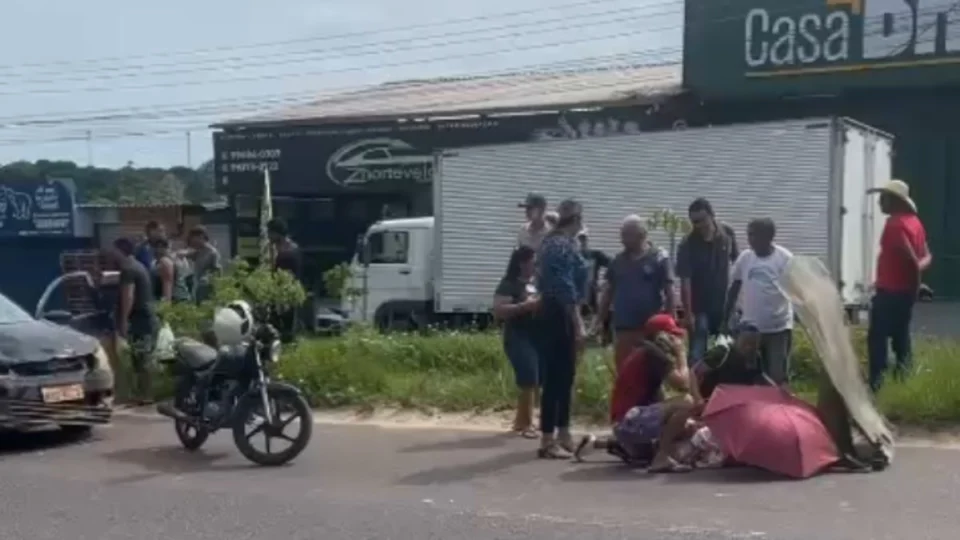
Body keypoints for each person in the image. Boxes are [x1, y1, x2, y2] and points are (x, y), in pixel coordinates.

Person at [573, 314, 699, 471]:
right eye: (672, 336)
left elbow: (659, 401)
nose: (677, 341)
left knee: (685, 429)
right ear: (661, 336)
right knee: (686, 402)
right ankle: (661, 458)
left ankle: (603, 444)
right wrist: (681, 354)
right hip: (629, 422)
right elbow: (683, 384)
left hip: (626, 422)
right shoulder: (654, 354)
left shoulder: (645, 352)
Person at [865, 180, 931, 391]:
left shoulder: (895, 225)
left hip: (891, 294)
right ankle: (904, 381)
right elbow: (926, 257)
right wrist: (914, 286)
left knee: (878, 339)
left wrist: (916, 285)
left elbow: (911, 261)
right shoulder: (915, 222)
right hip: (902, 293)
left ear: (895, 201)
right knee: (901, 338)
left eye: (883, 198)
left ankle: (876, 385)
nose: (879, 202)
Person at [535, 198, 588, 459]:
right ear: (576, 221)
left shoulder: (554, 243)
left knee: (565, 376)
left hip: (553, 311)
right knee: (557, 377)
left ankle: (563, 432)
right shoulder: (561, 245)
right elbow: (565, 287)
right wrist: (578, 323)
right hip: (559, 313)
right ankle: (548, 439)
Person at [595, 215, 675, 374]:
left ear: (641, 235)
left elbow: (669, 291)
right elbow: (607, 292)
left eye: (627, 235)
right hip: (624, 328)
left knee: (651, 373)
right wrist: (599, 320)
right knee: (625, 372)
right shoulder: (617, 261)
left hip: (650, 329)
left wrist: (670, 321)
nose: (622, 240)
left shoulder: (658, 258)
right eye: (622, 235)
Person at [722, 218, 794, 385]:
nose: (750, 239)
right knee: (747, 374)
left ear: (769, 236)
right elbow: (734, 288)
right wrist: (725, 319)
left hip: (778, 328)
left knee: (776, 375)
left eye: (754, 235)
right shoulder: (745, 258)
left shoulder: (784, 259)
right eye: (749, 235)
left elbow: (797, 290)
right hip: (750, 330)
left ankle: (777, 401)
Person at [676, 197, 739, 369]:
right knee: (697, 351)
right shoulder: (687, 244)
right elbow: (685, 281)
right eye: (694, 222)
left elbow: (738, 264)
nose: (698, 225)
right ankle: (695, 380)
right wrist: (688, 314)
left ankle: (724, 381)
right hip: (700, 307)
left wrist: (739, 299)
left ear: (712, 215)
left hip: (724, 304)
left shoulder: (727, 234)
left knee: (728, 349)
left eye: (702, 220)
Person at [493, 246, 542, 438]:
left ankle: (522, 421)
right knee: (528, 374)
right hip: (517, 336)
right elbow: (499, 309)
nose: (535, 266)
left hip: (536, 335)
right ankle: (526, 423)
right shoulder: (509, 284)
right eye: (532, 262)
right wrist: (524, 306)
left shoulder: (536, 283)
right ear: (522, 263)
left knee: (537, 377)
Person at [106, 237, 159, 404]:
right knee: (141, 357)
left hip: (139, 320)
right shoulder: (138, 266)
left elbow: (128, 296)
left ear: (120, 251)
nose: (111, 253)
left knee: (141, 357)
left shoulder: (128, 269)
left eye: (113, 250)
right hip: (146, 318)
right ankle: (142, 394)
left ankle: (144, 394)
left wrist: (123, 320)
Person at [268, 218, 303, 341]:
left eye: (270, 233)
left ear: (277, 233)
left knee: (285, 326)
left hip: (285, 293)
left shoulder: (288, 252)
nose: (269, 236)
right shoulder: (286, 248)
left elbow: (284, 275)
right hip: (283, 292)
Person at [576, 229, 610, 326]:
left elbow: (612, 265)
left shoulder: (595, 255)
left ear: (587, 239)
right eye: (580, 239)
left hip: (592, 293)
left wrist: (604, 283)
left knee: (594, 317)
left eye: (584, 239)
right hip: (578, 294)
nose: (582, 241)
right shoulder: (573, 255)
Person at [186, 225, 222, 303]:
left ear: (201, 236)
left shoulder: (212, 253)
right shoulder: (199, 251)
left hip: (207, 287)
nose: (193, 243)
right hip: (198, 287)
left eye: (194, 239)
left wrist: (208, 278)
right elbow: (187, 254)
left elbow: (218, 271)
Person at [150, 238, 192, 303]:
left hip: (177, 299)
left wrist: (165, 304)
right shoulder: (154, 263)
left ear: (168, 249)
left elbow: (168, 287)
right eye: (157, 247)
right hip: (164, 298)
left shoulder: (168, 262)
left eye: (163, 247)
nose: (159, 250)